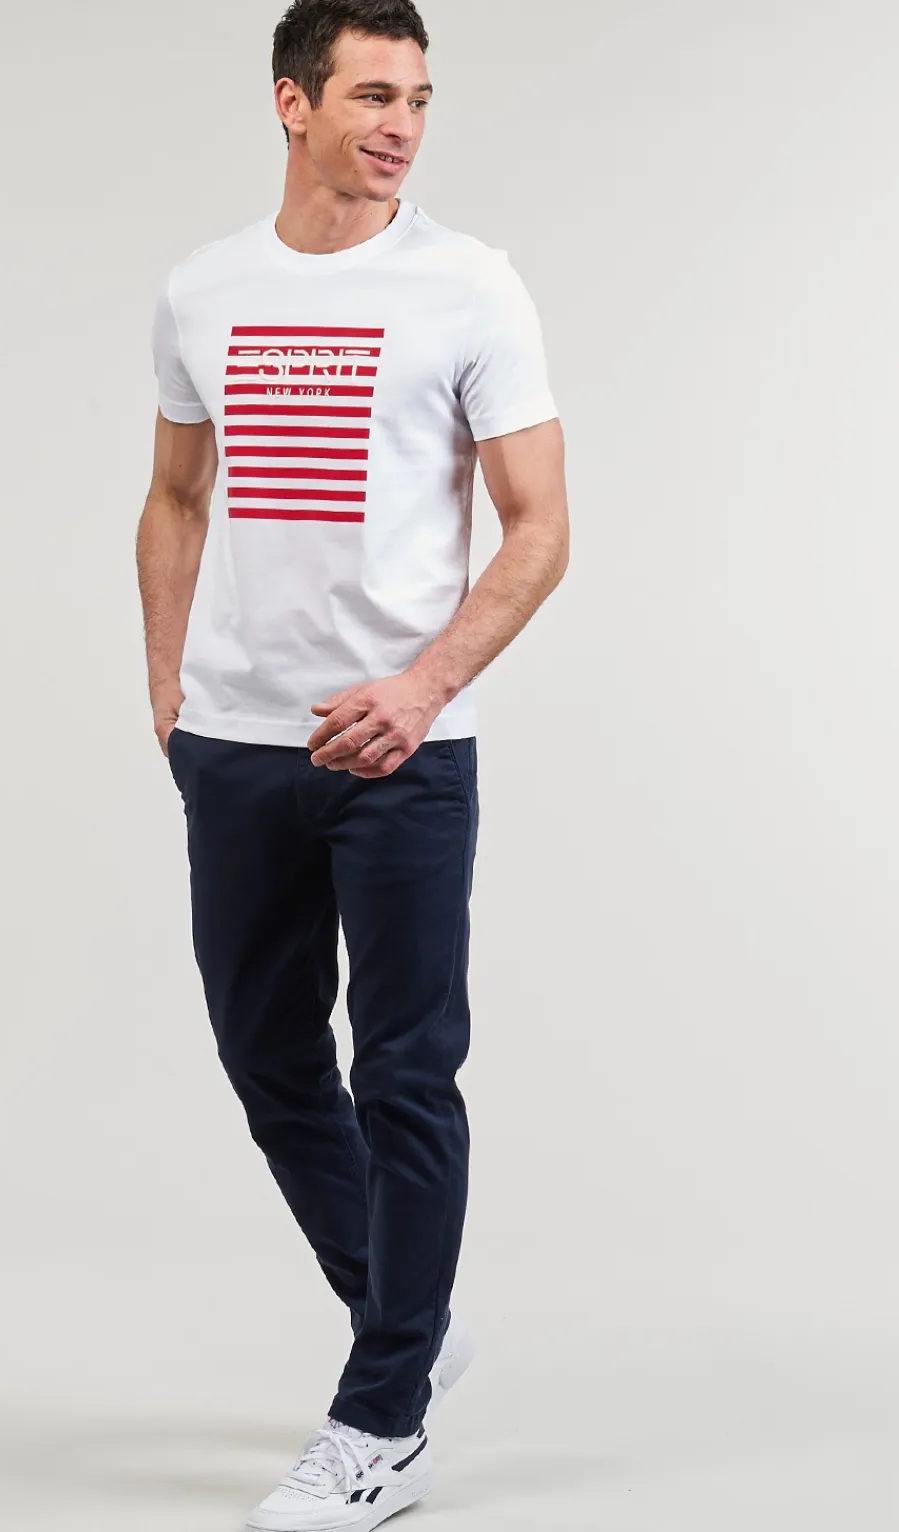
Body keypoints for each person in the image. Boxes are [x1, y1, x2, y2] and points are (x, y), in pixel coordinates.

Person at [137, 1, 569, 1525]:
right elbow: (176, 494)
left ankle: (383, 1423)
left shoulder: (469, 285)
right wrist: (168, 686)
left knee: (404, 1073)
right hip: (238, 746)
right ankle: (414, 1323)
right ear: (292, 102)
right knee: (268, 1058)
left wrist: (425, 685)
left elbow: (541, 528)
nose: (401, 126)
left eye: (421, 99)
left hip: (405, 755)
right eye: (375, 95)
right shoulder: (204, 288)